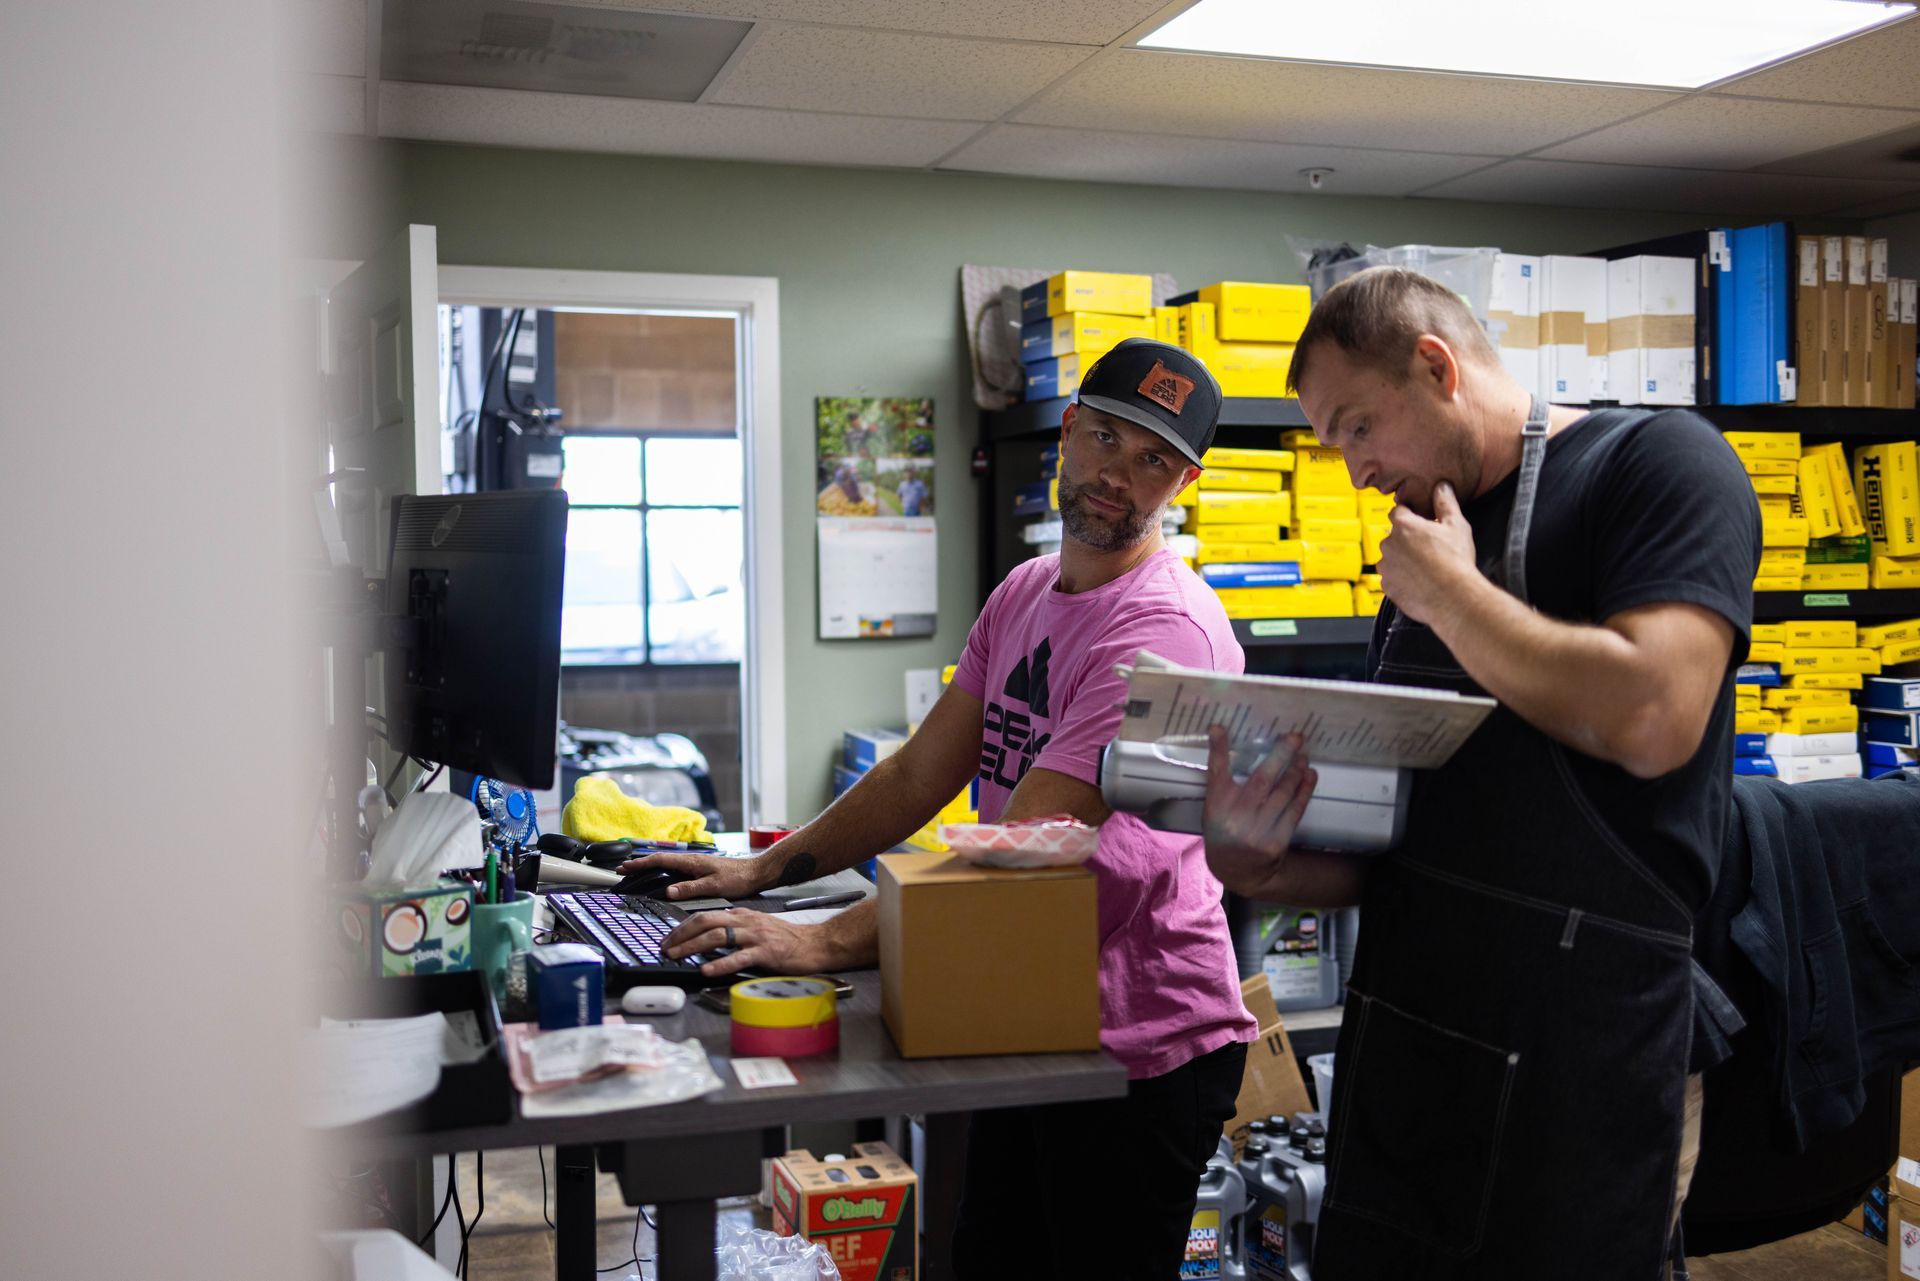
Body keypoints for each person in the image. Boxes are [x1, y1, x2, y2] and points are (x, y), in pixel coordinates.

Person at [621, 338, 1257, 1280]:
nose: (1119, 475)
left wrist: (823, 941)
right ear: (1070, 431)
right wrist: (765, 868)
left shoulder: (1162, 628)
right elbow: (923, 773)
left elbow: (1017, 852)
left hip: (1137, 1043)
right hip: (1032, 1009)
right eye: (1108, 440)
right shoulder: (1027, 591)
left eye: (1153, 459)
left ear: (1185, 481)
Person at [1199, 266, 1761, 1280]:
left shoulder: (1661, 465)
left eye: (1359, 427)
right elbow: (1406, 845)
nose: (1356, 473)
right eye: (1334, 448)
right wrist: (1263, 864)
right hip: (1409, 1054)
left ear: (1436, 366)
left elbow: (1652, 715)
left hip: (1578, 1069)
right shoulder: (1419, 550)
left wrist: (1454, 596)